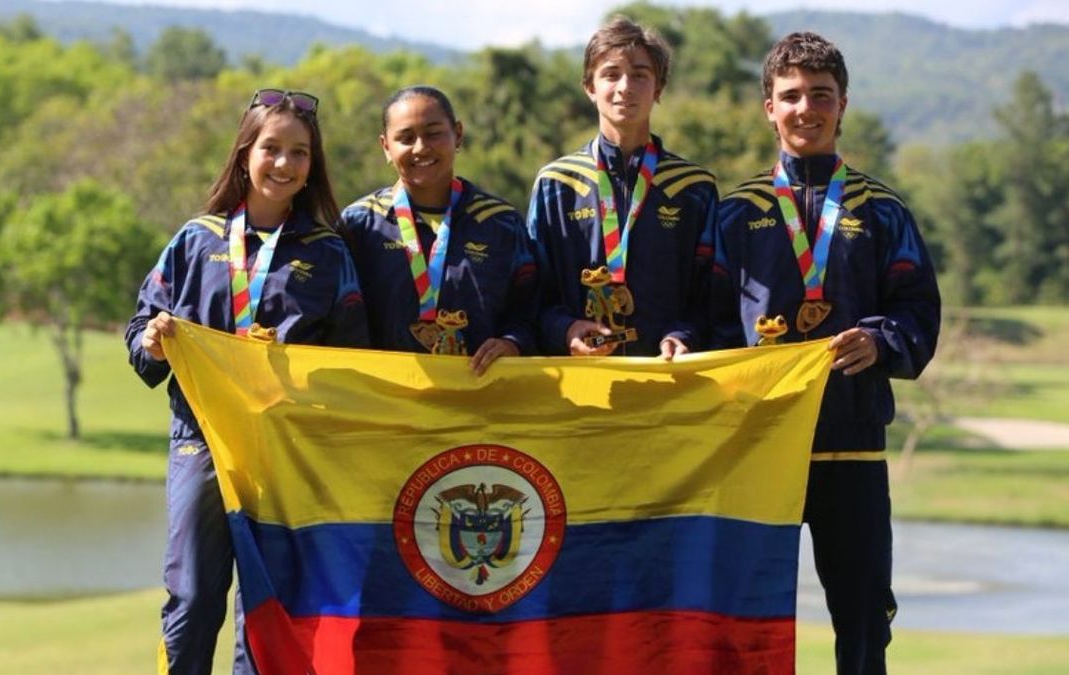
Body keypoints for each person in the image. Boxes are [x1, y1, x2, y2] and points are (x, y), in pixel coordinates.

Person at [711, 32, 941, 674]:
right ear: (768, 107)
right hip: (757, 447)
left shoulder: (884, 209)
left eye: (821, 94)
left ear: (843, 105)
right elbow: (706, 323)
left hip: (852, 445)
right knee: (742, 618)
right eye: (790, 96)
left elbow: (919, 309)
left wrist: (881, 339)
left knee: (864, 617)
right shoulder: (735, 213)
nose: (805, 108)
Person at [124, 88, 369, 675]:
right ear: (244, 153)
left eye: (300, 153)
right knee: (190, 596)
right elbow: (139, 329)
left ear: (313, 165)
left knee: (265, 606)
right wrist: (152, 341)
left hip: (286, 451)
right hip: (201, 442)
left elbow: (354, 360)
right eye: (272, 148)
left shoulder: (329, 253)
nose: (284, 164)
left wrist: (294, 372)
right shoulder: (196, 239)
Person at [527, 16, 718, 359]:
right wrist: (565, 329)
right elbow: (529, 293)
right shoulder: (555, 184)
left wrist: (683, 335)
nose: (625, 86)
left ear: (658, 89)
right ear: (589, 87)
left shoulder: (694, 188)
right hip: (582, 389)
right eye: (611, 74)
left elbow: (714, 295)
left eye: (640, 75)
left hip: (668, 383)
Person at [341, 85, 538, 374]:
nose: (421, 147)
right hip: (388, 404)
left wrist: (513, 342)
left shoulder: (500, 222)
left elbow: (532, 309)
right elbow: (340, 321)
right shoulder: (360, 223)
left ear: (457, 134)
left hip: (479, 402)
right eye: (405, 138)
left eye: (433, 133)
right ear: (385, 146)